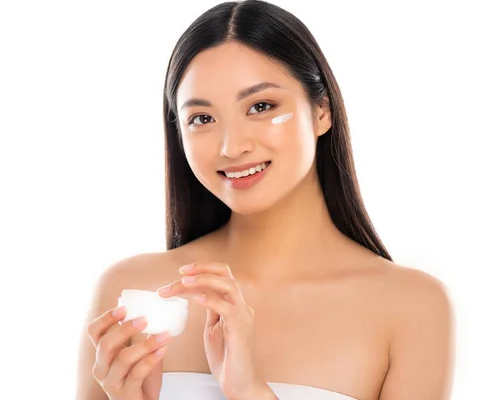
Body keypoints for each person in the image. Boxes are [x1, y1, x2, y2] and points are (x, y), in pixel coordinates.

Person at [75, 1, 456, 399]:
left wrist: (248, 390)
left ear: (321, 110)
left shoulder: (413, 309)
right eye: (202, 118)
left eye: (261, 106)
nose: (232, 146)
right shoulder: (134, 295)